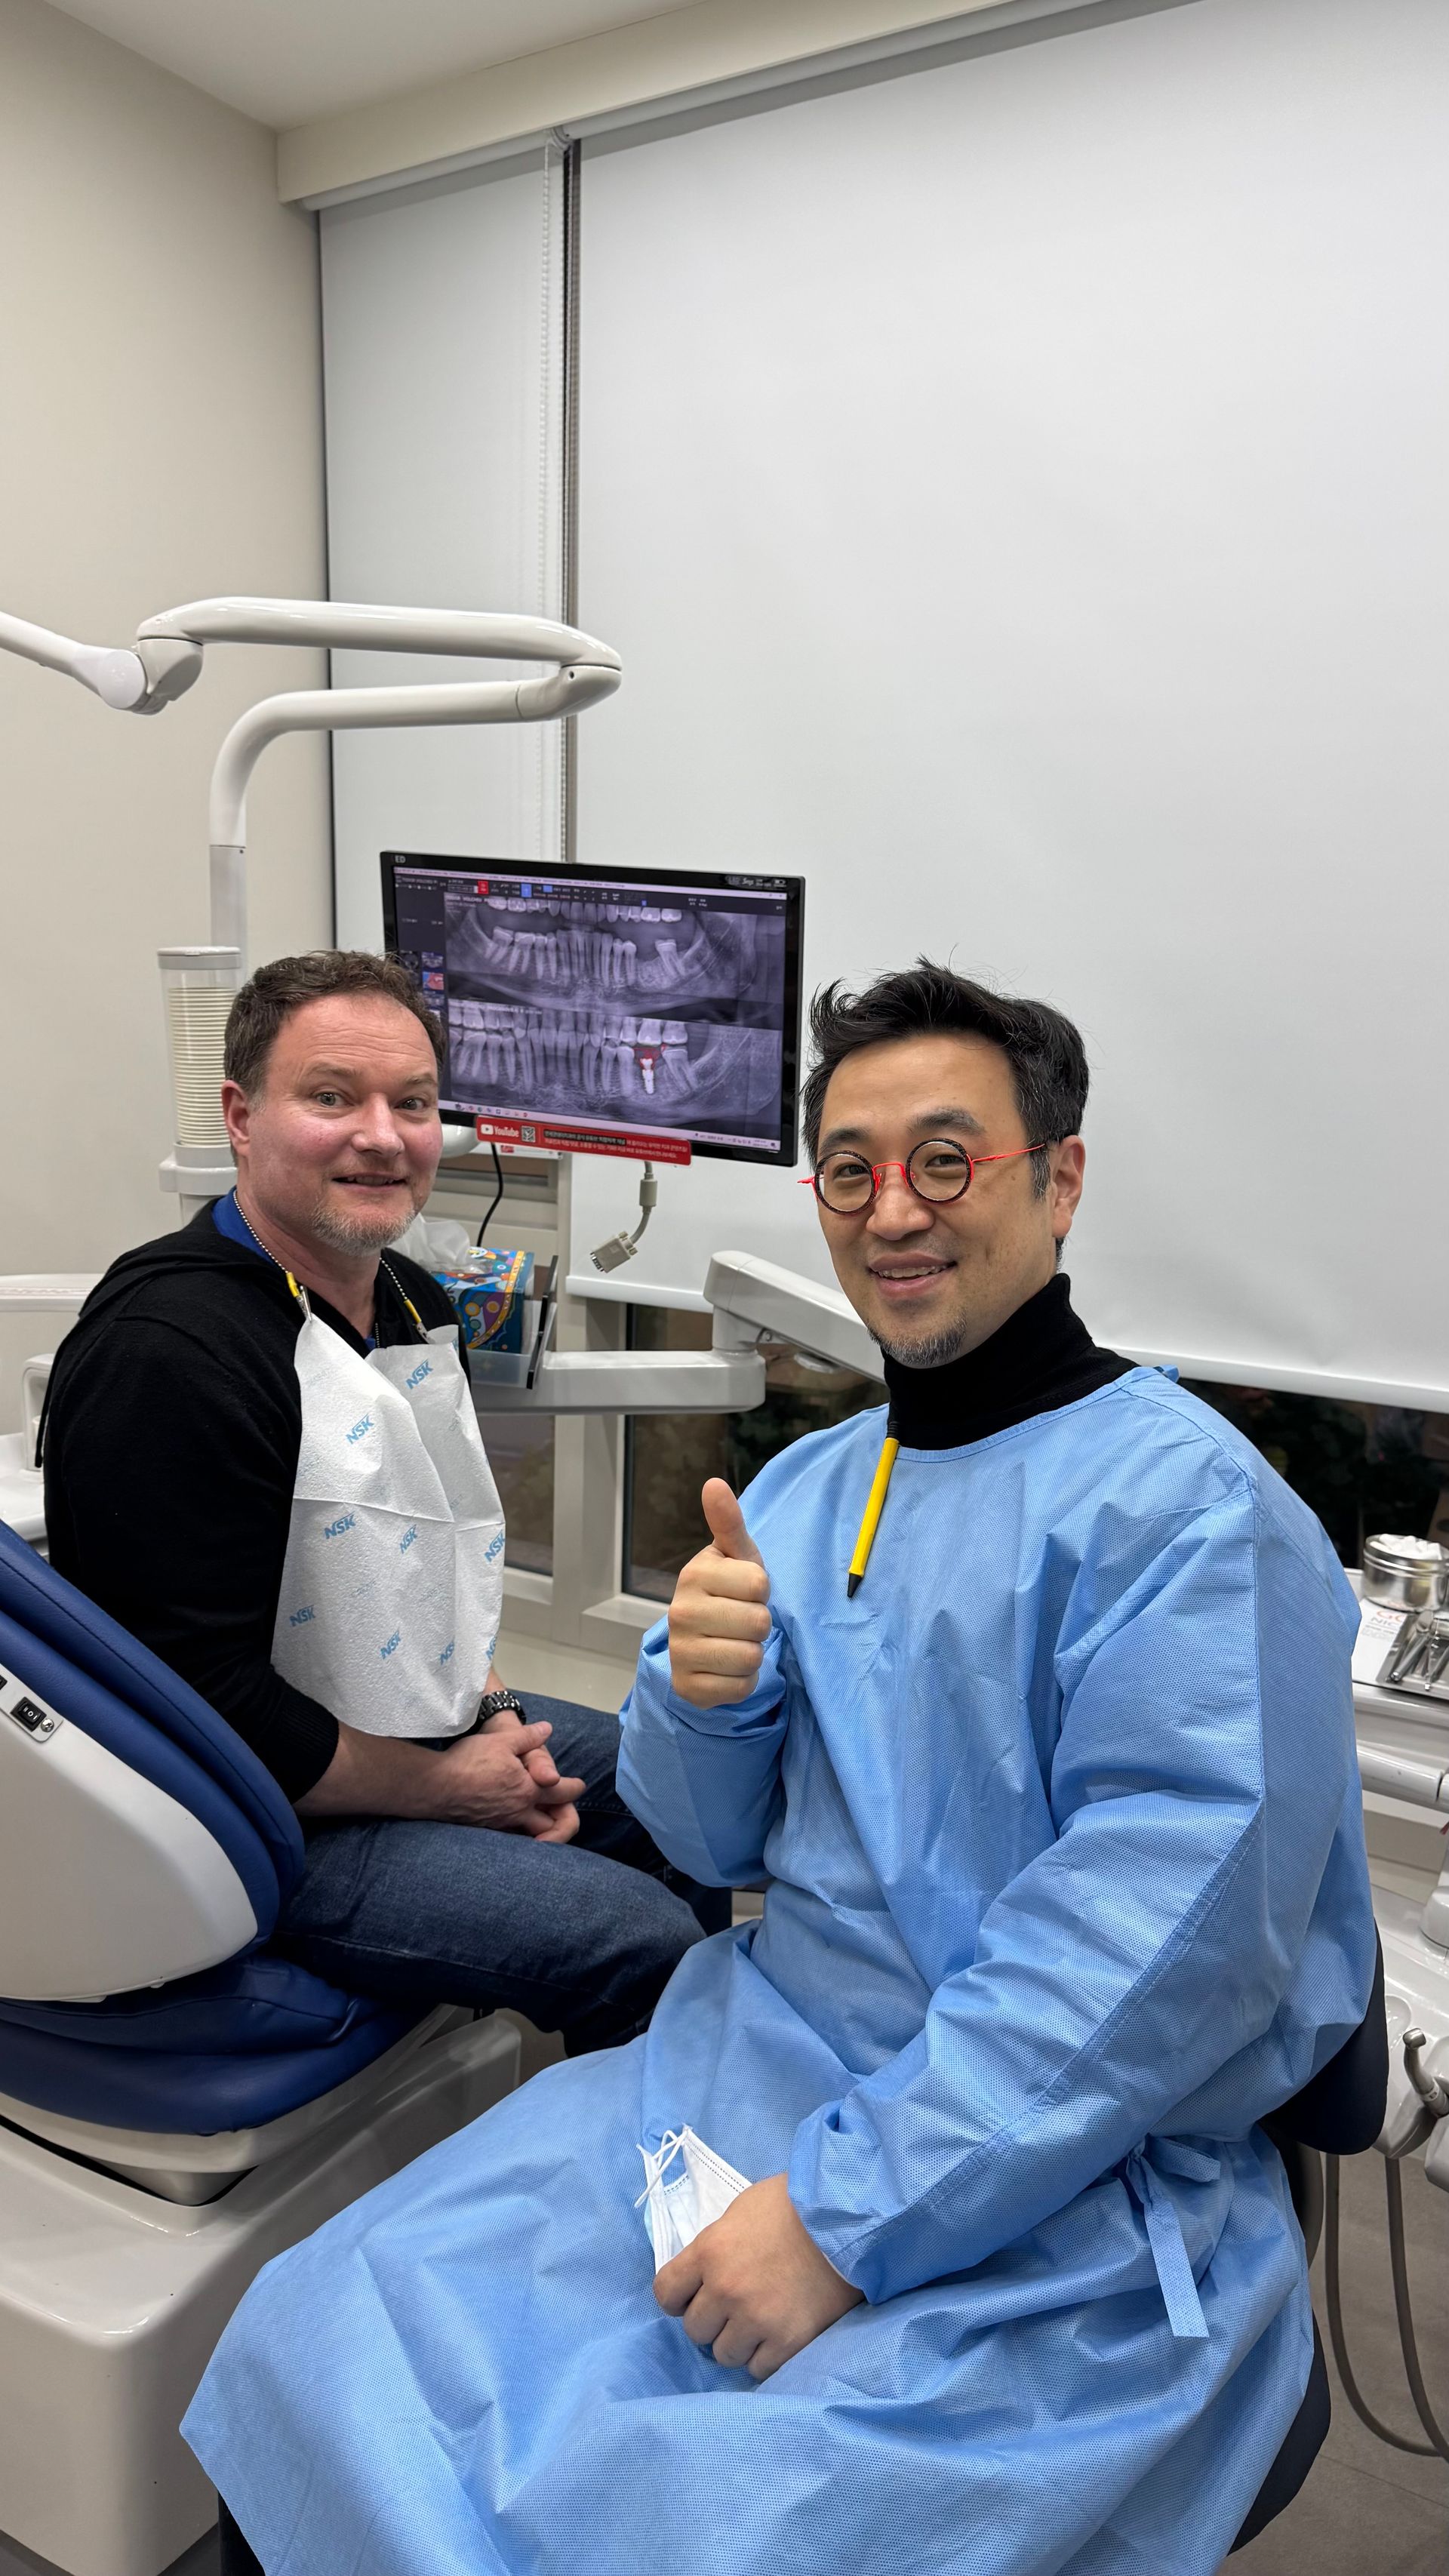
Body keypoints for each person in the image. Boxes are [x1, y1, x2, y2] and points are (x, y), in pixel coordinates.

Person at [183, 960, 1377, 2576]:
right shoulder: (818, 1486)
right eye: (850, 1170)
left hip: (1052, 2185)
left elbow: (1156, 1952)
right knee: (323, 2322)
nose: (894, 1212)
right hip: (740, 2072)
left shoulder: (1195, 1522)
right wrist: (709, 1694)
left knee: (667, 2520)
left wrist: (842, 2220)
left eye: (947, 1160)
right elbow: (705, 1833)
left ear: (1061, 1178)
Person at [43, 949, 720, 2055]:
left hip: (409, 1719)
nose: (381, 1134)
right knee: (635, 1935)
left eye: (411, 1103)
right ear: (241, 1116)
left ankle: (692, 2109)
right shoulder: (169, 1356)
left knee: (687, 1787)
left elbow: (433, 1564)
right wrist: (453, 1788)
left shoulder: (403, 1296)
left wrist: (497, 1719)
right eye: (330, 1096)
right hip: (242, 1811)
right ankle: (657, 2186)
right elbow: (202, 1709)